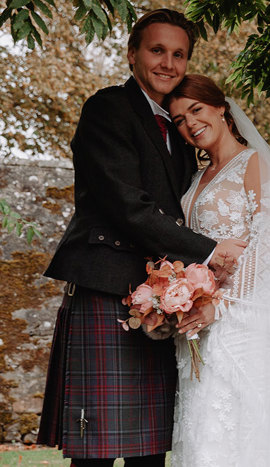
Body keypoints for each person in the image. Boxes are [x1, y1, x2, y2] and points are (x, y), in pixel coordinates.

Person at [37, 10, 243, 467]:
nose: (168, 63)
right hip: (108, 288)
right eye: (157, 50)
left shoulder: (180, 128)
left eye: (179, 54)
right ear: (133, 55)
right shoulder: (108, 108)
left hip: (166, 297)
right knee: (96, 451)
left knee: (151, 451)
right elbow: (127, 205)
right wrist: (209, 251)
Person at [165, 74, 270, 466]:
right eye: (179, 119)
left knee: (243, 436)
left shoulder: (254, 163)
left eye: (196, 110)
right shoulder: (196, 178)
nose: (190, 124)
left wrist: (218, 305)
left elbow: (268, 247)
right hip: (199, 327)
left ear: (221, 108)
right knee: (203, 433)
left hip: (243, 322)